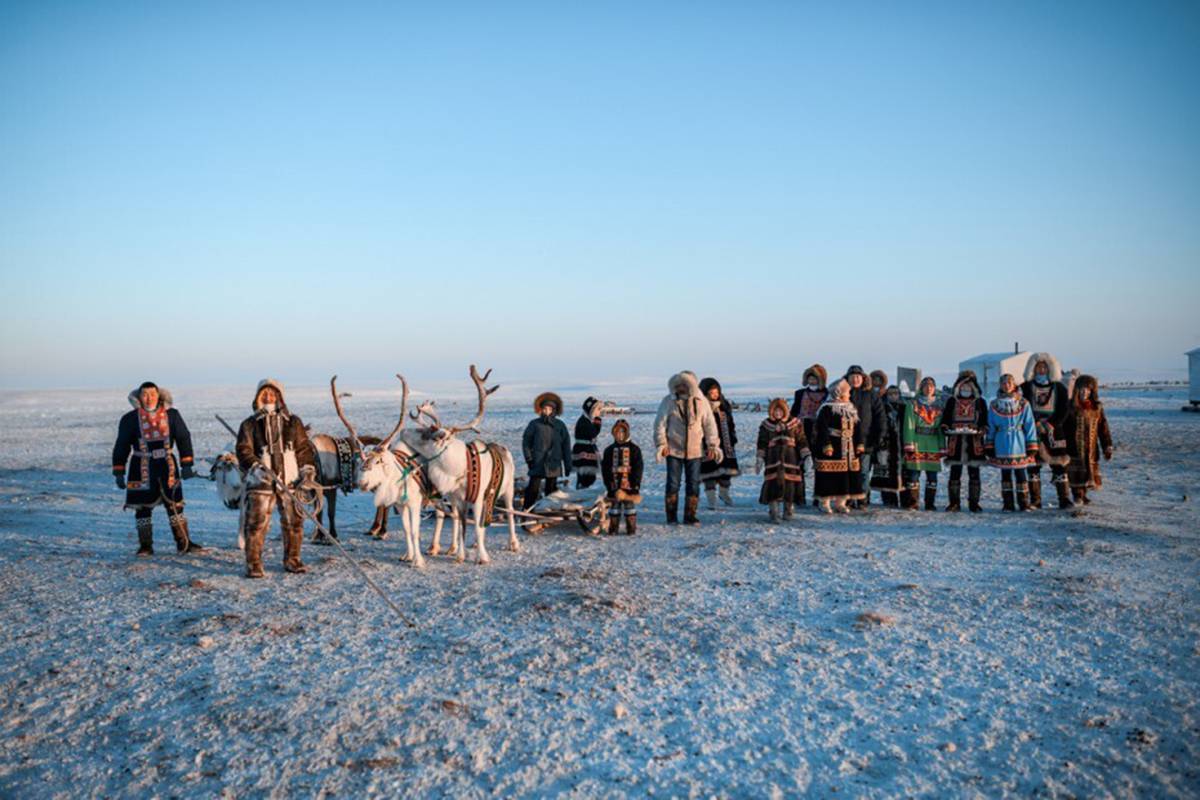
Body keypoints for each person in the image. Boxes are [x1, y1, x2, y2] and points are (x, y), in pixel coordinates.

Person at [235, 379, 317, 577]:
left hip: (290, 480)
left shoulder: (293, 421)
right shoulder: (249, 424)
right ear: (258, 397)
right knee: (256, 523)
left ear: (280, 396)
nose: (269, 397)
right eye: (265, 394)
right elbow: (243, 449)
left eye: (273, 394)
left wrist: (306, 471)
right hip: (261, 480)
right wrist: (256, 466)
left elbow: (303, 448)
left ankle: (293, 559)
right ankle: (253, 563)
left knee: (294, 522)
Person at [112, 381, 203, 556]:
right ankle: (145, 546)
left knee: (175, 505)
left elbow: (184, 438)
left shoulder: (172, 415)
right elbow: (122, 445)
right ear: (139, 397)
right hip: (141, 466)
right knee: (142, 508)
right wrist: (119, 471)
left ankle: (183, 543)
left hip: (167, 465)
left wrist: (186, 464)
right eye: (145, 394)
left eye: (153, 394)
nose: (149, 398)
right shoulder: (129, 419)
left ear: (159, 395)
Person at [653, 371, 721, 526]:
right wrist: (662, 444)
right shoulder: (668, 402)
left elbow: (710, 425)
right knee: (673, 483)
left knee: (693, 483)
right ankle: (671, 516)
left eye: (685, 384)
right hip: (674, 450)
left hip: (695, 451)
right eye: (678, 385)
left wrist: (712, 445)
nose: (681, 388)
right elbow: (659, 425)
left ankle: (690, 516)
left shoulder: (701, 401)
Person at [1020, 353, 1072, 509]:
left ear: (1050, 369)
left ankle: (1063, 498)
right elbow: (1022, 406)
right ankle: (1035, 500)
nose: (1041, 369)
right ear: (1032, 369)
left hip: (1054, 431)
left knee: (1059, 465)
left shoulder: (1059, 388)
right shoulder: (1026, 387)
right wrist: (1032, 422)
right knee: (1033, 466)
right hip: (1031, 430)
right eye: (1038, 367)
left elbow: (1064, 409)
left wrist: (1053, 423)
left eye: (1044, 367)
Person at [985, 373, 1039, 512]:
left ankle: (1023, 503)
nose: (1006, 385)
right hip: (1001, 440)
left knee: (1021, 472)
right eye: (1003, 383)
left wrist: (1031, 444)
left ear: (1014, 385)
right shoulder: (994, 404)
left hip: (1019, 440)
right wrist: (989, 444)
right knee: (1005, 474)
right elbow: (990, 425)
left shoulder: (1023, 403)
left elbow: (1029, 424)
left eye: (1009, 383)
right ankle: (1008, 503)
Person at [812, 379, 865, 513]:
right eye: (847, 392)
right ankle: (824, 502)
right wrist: (826, 444)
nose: (849, 395)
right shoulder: (827, 409)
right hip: (832, 446)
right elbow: (822, 429)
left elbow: (858, 428)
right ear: (839, 393)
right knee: (829, 475)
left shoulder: (851, 408)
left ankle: (840, 502)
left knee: (845, 476)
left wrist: (859, 443)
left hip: (849, 448)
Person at [940, 370, 988, 512]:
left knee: (974, 473)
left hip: (974, 442)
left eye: (968, 387)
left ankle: (974, 503)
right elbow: (945, 419)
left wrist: (982, 429)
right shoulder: (951, 401)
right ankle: (954, 503)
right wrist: (945, 427)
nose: (965, 389)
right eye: (963, 386)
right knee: (955, 472)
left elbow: (985, 420)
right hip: (956, 441)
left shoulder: (980, 402)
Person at [755, 398, 810, 520]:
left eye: (780, 411)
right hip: (772, 458)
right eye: (775, 411)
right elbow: (762, 442)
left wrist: (806, 455)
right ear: (771, 411)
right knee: (772, 483)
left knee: (790, 483)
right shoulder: (766, 425)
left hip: (791, 458)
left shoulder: (795, 423)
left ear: (785, 411)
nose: (778, 413)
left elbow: (801, 440)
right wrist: (759, 457)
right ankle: (773, 509)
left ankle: (788, 508)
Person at [1062, 375, 1113, 505]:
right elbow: (1062, 426)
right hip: (1074, 447)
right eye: (1082, 389)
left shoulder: (1097, 407)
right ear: (1077, 390)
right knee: (1076, 472)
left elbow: (1103, 428)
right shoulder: (1069, 406)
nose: (1085, 392)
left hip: (1091, 447)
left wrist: (1107, 445)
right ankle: (1077, 495)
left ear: (1092, 391)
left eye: (1088, 389)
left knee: (1088, 471)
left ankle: (1083, 494)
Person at [900, 377, 945, 510]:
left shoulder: (939, 405)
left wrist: (942, 445)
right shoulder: (913, 404)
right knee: (914, 474)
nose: (928, 388)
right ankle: (913, 502)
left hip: (933, 442)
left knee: (932, 476)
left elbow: (941, 428)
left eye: (931, 386)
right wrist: (909, 442)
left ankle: (930, 503)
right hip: (917, 440)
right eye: (926, 386)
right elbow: (909, 425)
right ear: (921, 388)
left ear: (934, 388)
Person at [522, 392, 573, 508]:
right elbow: (526, 442)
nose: (547, 411)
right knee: (533, 488)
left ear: (554, 410)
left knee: (551, 489)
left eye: (550, 409)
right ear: (541, 410)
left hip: (554, 462)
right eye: (545, 409)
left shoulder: (560, 425)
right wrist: (529, 459)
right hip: (537, 461)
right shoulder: (534, 424)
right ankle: (526, 510)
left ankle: (549, 510)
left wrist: (568, 465)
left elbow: (566, 446)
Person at [699, 377, 740, 509]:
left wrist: (733, 437)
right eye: (711, 393)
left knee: (727, 471)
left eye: (716, 392)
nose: (714, 395)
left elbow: (731, 423)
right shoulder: (701, 407)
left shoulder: (724, 405)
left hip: (726, 443)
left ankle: (724, 493)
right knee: (709, 471)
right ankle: (711, 498)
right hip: (708, 444)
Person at [790, 364, 828, 506]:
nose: (812, 382)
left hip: (819, 431)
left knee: (820, 466)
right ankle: (799, 497)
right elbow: (794, 412)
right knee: (799, 464)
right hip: (801, 430)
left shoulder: (827, 394)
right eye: (810, 379)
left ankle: (819, 497)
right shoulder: (800, 393)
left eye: (815, 379)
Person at [844, 365, 881, 507]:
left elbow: (879, 416)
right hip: (846, 440)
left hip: (867, 440)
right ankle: (847, 498)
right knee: (847, 471)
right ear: (847, 378)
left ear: (863, 378)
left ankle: (862, 498)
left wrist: (879, 436)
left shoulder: (871, 394)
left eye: (858, 376)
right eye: (852, 377)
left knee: (864, 472)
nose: (855, 379)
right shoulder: (842, 394)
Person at [601, 419, 643, 534]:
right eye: (618, 432)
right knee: (614, 508)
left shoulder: (634, 449)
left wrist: (636, 485)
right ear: (614, 433)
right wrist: (609, 485)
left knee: (629, 507)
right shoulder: (608, 450)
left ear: (627, 433)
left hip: (629, 486)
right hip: (613, 485)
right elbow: (605, 470)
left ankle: (631, 529)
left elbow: (638, 469)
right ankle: (613, 528)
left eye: (623, 432)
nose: (620, 435)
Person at [870, 385, 905, 507]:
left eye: (895, 393)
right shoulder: (882, 407)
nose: (893, 396)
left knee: (903, 472)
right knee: (885, 472)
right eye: (890, 393)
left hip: (901, 443)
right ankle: (889, 500)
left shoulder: (904, 408)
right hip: (885, 443)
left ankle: (905, 500)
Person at [571, 397, 607, 489]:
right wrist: (598, 420)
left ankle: (581, 491)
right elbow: (594, 433)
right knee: (587, 477)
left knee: (586, 476)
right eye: (598, 409)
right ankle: (581, 493)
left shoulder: (585, 420)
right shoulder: (584, 422)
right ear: (591, 410)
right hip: (584, 452)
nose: (599, 412)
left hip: (584, 450)